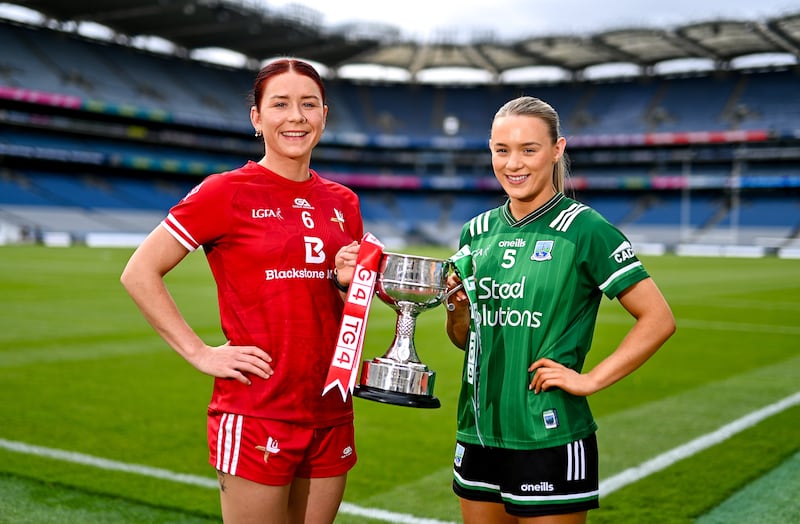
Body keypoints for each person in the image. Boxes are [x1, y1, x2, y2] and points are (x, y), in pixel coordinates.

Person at [120, 58, 363, 524]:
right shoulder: (225, 192)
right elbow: (139, 272)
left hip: (331, 407)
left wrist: (345, 281)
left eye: (308, 104)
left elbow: (341, 305)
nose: (296, 116)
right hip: (258, 408)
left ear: (324, 116)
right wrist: (199, 352)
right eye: (280, 104)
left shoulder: (343, 202)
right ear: (257, 118)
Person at [444, 96, 676, 524]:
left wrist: (590, 380)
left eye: (529, 149)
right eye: (502, 150)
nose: (513, 163)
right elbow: (467, 338)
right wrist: (456, 313)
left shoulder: (586, 229)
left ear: (557, 149)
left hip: (548, 434)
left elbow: (659, 319)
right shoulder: (474, 232)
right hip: (476, 431)